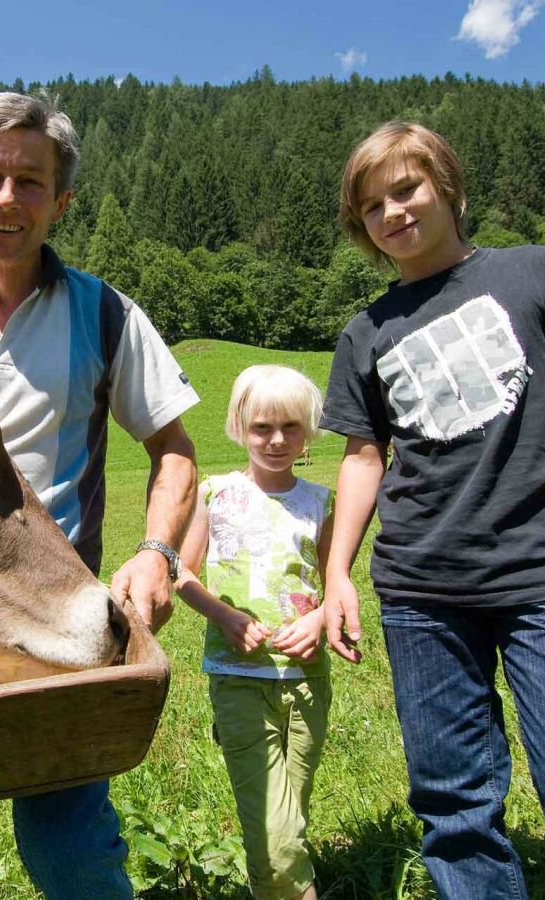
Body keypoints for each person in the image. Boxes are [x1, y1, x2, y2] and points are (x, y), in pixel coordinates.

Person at [0, 91, 199, 899]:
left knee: (70, 850)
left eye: (31, 182)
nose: (6, 199)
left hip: (59, 626)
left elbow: (174, 450)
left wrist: (158, 553)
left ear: (60, 202)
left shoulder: (106, 313)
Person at [321, 120, 545, 900]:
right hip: (422, 590)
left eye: (406, 189)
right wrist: (338, 571)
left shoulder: (543, 272)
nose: (393, 213)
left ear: (447, 186)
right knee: (455, 808)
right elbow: (364, 458)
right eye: (372, 206)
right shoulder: (365, 332)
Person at [176, 365, 334, 900]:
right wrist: (224, 615)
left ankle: (269, 887)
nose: (276, 440)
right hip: (238, 679)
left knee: (288, 821)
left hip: (307, 680)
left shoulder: (320, 501)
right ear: (240, 425)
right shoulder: (216, 493)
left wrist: (318, 618)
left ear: (309, 431)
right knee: (276, 833)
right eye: (262, 427)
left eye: (291, 427)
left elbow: (336, 582)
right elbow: (184, 572)